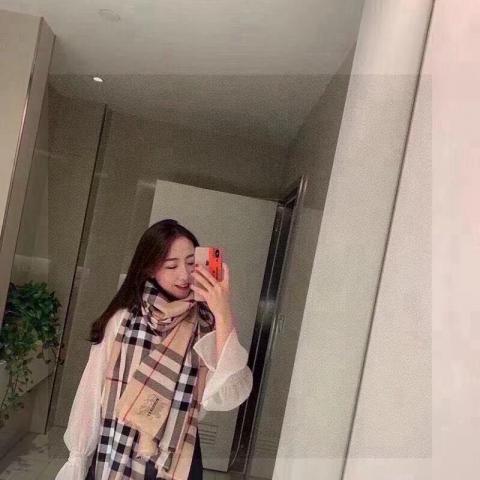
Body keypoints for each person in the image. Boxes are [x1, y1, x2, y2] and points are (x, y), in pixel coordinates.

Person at [55, 219, 253, 480]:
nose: (184, 275)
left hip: (177, 451)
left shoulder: (206, 324)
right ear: (149, 269)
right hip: (117, 446)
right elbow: (92, 390)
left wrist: (223, 312)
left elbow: (229, 394)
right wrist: (79, 456)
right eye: (171, 265)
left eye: (191, 263)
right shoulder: (123, 321)